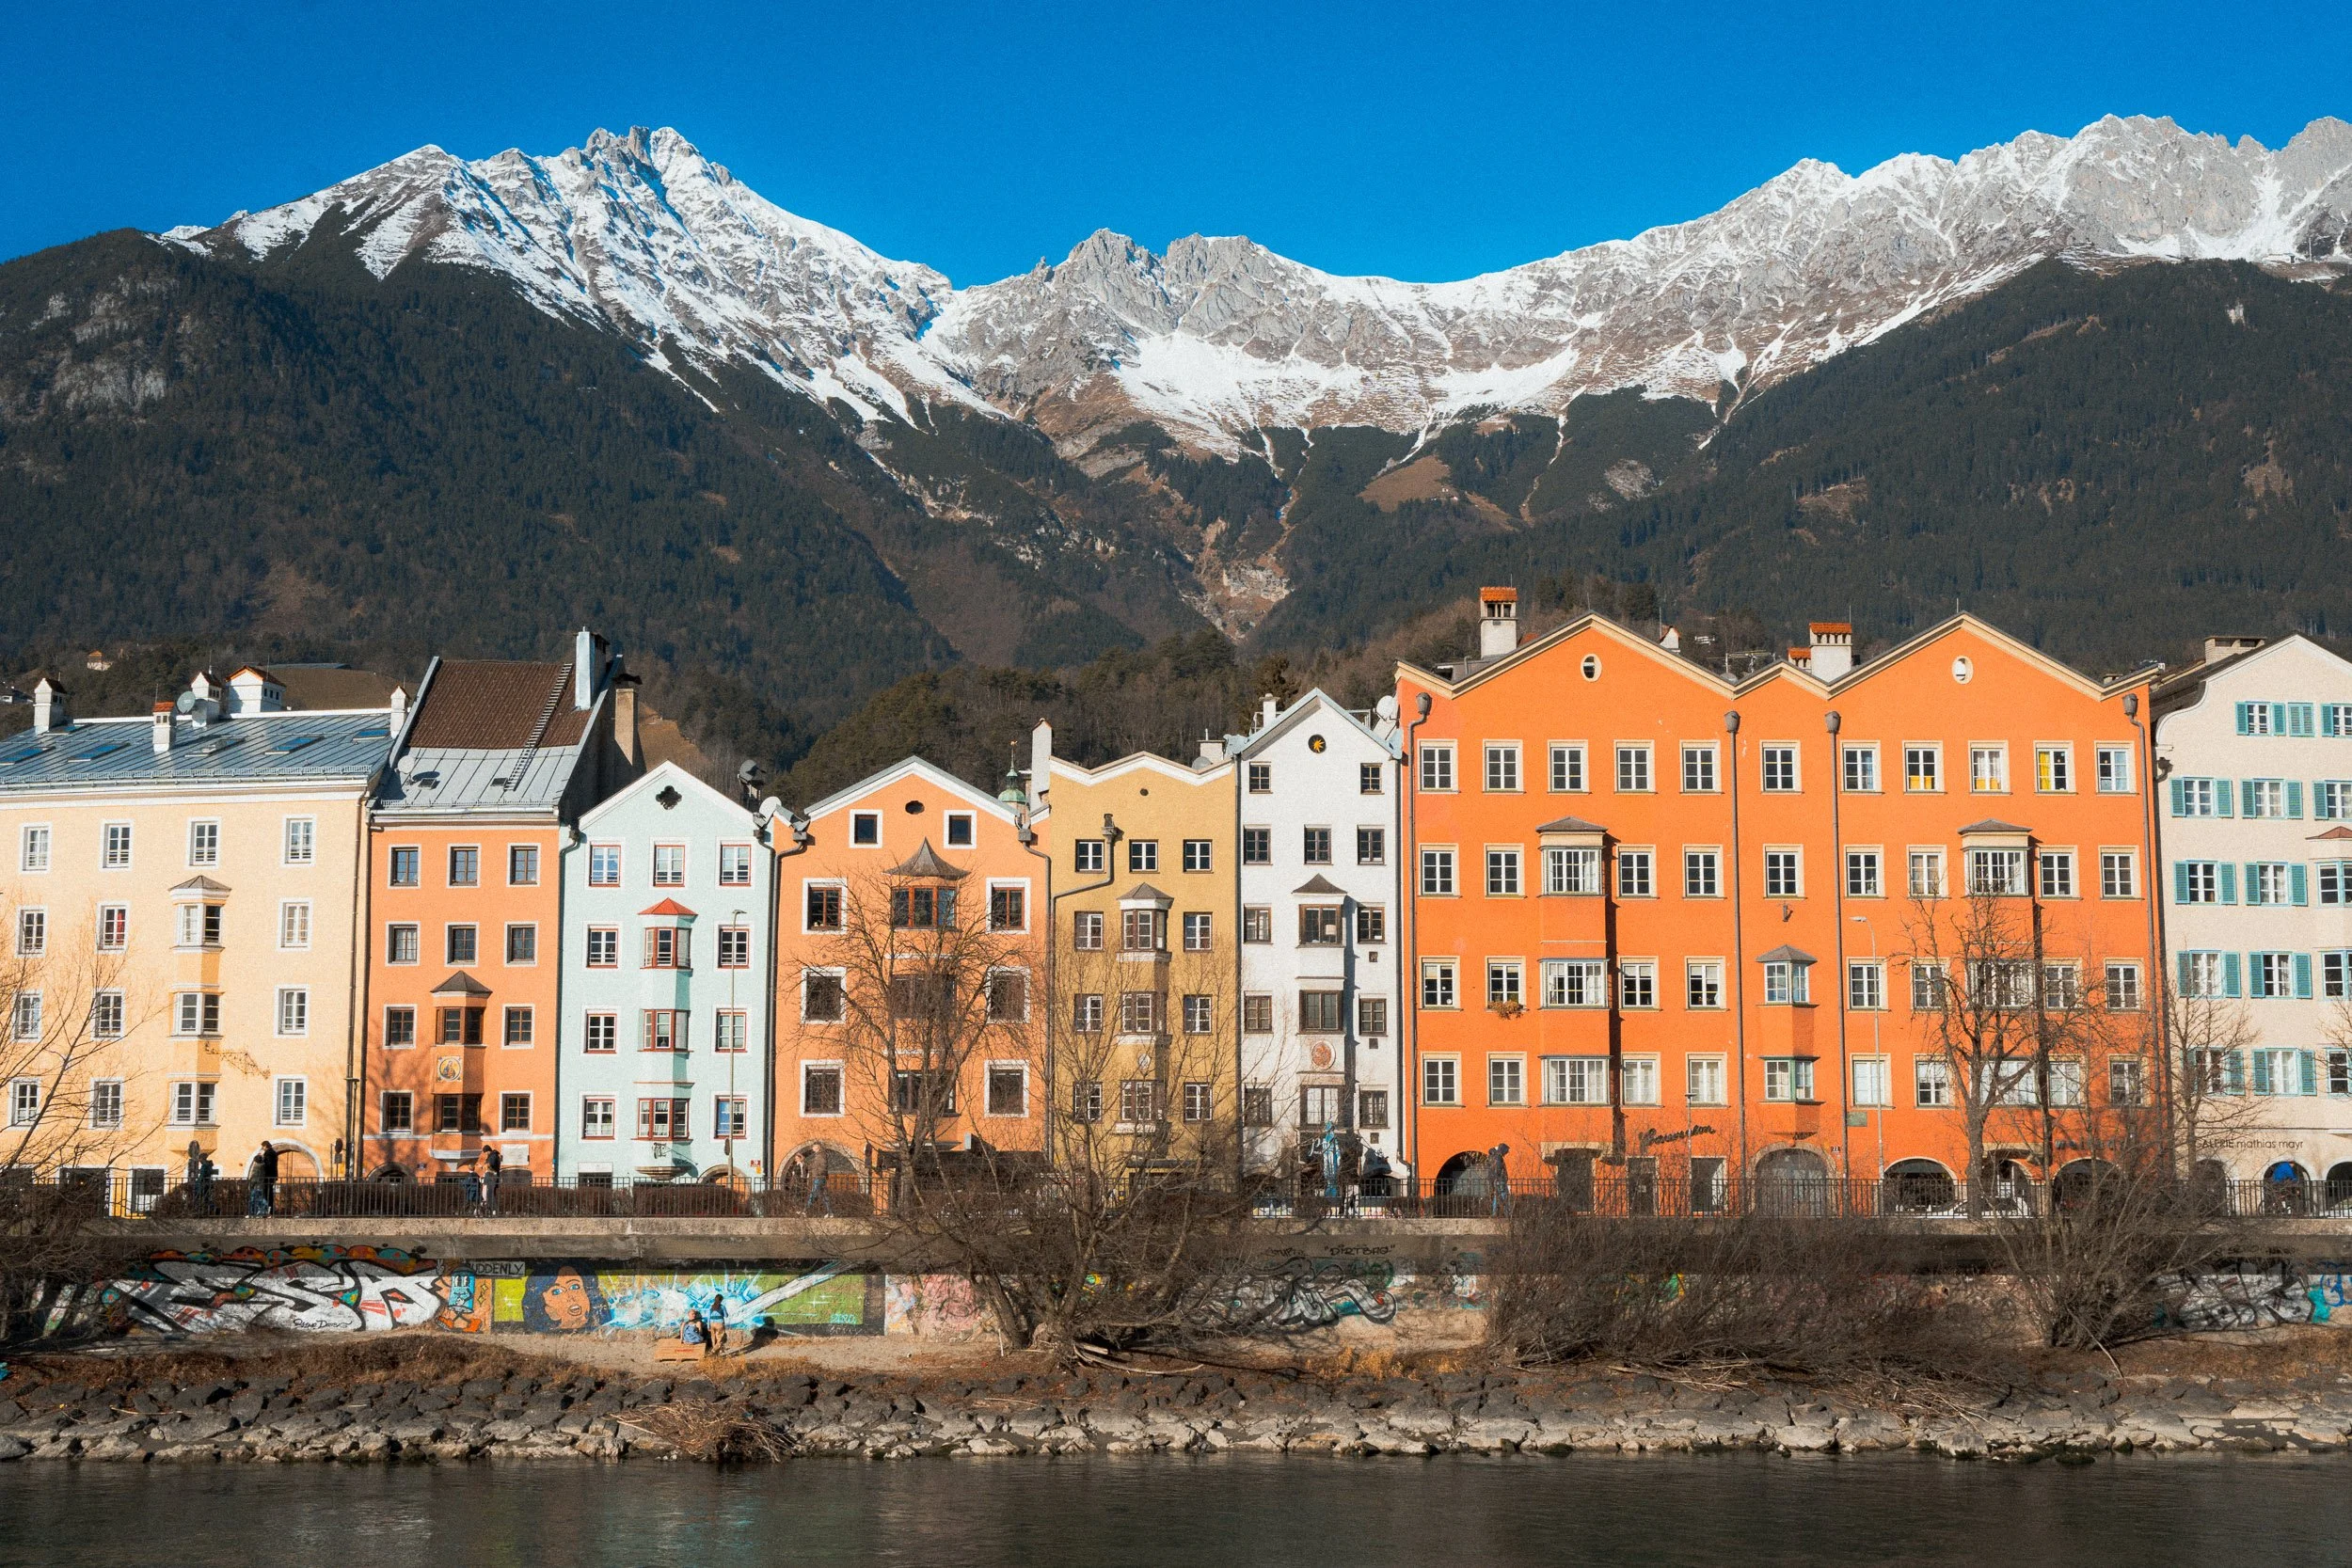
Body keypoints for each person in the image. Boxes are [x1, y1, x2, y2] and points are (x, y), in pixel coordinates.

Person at [250, 1142, 280, 1217]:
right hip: (271, 1176)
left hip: (268, 1177)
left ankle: (267, 1211)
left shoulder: (269, 1153)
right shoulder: (273, 1152)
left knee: (266, 1195)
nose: (262, 1148)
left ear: (265, 1146)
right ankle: (268, 1211)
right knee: (267, 1194)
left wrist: (262, 1161)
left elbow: (268, 1165)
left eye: (263, 1147)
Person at [185, 1141, 215, 1216]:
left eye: (200, 1159)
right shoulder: (208, 1165)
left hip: (203, 1184)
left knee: (198, 1196)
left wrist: (197, 1182)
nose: (200, 1161)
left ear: (202, 1159)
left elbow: (202, 1176)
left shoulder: (204, 1166)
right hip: (207, 1183)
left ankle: (197, 1210)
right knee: (205, 1198)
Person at [1487, 1143, 1512, 1217]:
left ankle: (1494, 1213)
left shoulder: (1493, 1156)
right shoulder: (1498, 1157)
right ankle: (1507, 1212)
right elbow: (1498, 1169)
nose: (1506, 1153)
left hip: (1495, 1180)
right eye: (1506, 1151)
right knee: (1504, 1195)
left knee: (1496, 1195)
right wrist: (1503, 1177)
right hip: (1500, 1179)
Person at [480, 1146, 503, 1216]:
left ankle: (494, 1210)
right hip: (491, 1177)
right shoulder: (493, 1155)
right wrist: (483, 1167)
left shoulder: (493, 1156)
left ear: (488, 1151)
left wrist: (485, 1166)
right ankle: (491, 1210)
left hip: (491, 1177)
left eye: (486, 1152)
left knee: (490, 1194)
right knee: (490, 1194)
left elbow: (490, 1165)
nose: (486, 1154)